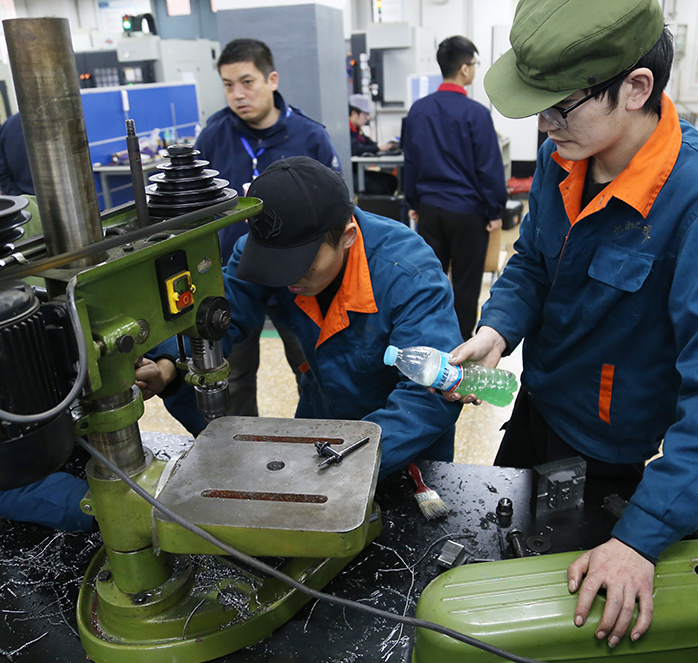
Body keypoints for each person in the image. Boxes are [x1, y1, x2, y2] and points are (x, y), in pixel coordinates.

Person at [446, 0, 698, 649]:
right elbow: (532, 261)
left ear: (636, 88)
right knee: (497, 571)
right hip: (536, 411)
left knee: (568, 627)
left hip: (613, 454)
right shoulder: (563, 156)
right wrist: (497, 330)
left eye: (560, 107)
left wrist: (640, 538)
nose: (544, 125)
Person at [144, 156, 464, 478]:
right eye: (277, 263)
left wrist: (346, 461)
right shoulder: (269, 250)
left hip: (404, 444)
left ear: (347, 237)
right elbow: (220, 318)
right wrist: (168, 364)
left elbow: (429, 397)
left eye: (302, 263)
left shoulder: (409, 273)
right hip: (322, 419)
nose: (287, 278)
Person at [184, 38, 342, 419]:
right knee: (233, 376)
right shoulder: (213, 137)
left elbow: (337, 211)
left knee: (313, 368)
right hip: (236, 278)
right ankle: (239, 445)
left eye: (247, 82)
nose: (237, 94)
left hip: (300, 278)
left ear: (272, 80)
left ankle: (324, 437)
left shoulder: (310, 136)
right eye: (228, 85)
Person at [402, 36, 507, 340]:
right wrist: (495, 210)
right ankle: (459, 348)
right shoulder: (477, 114)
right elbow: (489, 168)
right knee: (466, 285)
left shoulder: (418, 111)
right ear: (464, 69)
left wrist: (414, 202)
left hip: (430, 211)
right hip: (468, 214)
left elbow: (410, 160)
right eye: (474, 64)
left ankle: (431, 341)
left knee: (430, 280)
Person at [0, 112, 35, 196]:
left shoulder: (8, 126)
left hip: (25, 196)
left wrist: (20, 198)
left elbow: (1, 173)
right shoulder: (60, 119)